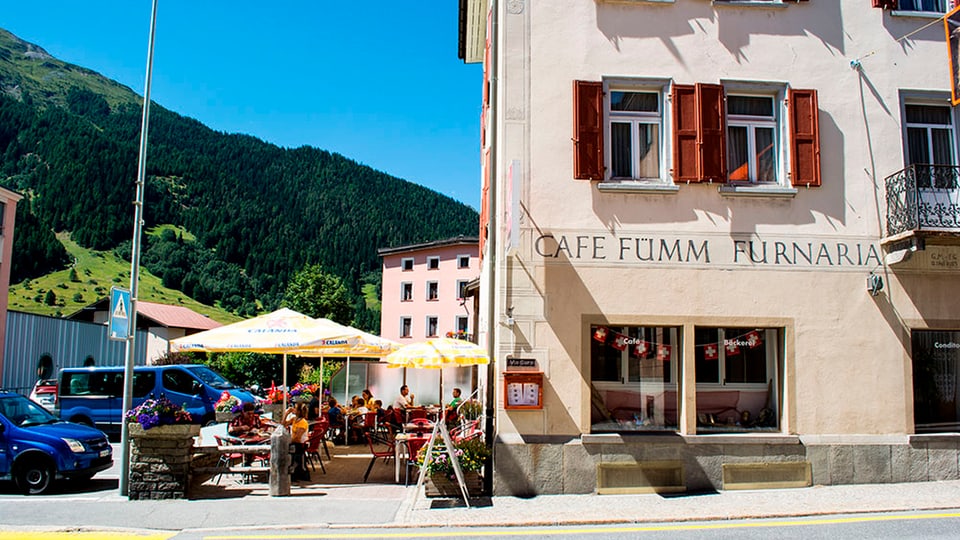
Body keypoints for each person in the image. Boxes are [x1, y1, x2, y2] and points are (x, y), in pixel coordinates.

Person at [289, 403, 310, 482]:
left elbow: (297, 438)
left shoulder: (303, 422)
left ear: (299, 411)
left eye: (295, 408)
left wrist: (289, 440)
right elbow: (283, 424)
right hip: (295, 442)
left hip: (300, 444)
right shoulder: (294, 419)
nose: (293, 409)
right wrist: (287, 413)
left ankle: (294, 472)